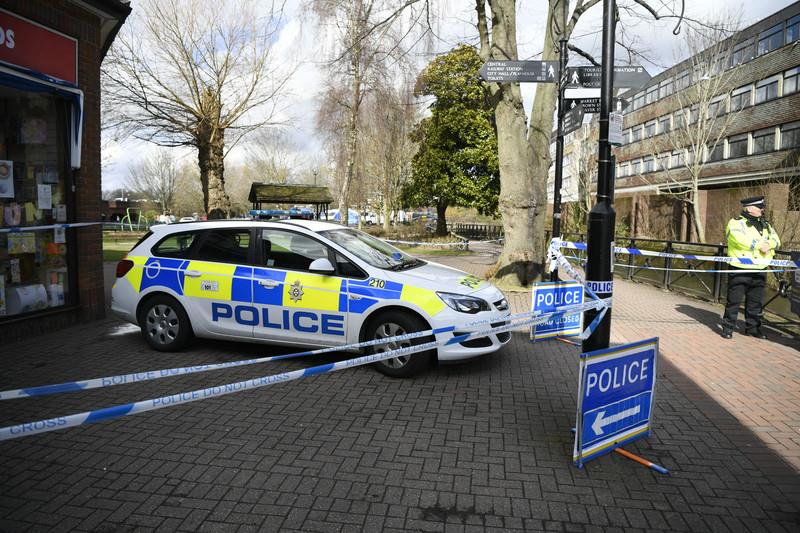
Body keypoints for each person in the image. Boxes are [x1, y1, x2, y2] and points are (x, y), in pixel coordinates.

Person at [721, 196, 781, 339]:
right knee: (734, 301)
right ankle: (728, 328)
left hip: (760, 269)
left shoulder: (765, 224)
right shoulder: (736, 223)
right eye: (760, 207)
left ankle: (752, 329)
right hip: (741, 268)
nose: (762, 209)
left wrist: (770, 244)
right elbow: (739, 239)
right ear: (750, 208)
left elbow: (776, 239)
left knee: (756, 302)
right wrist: (760, 245)